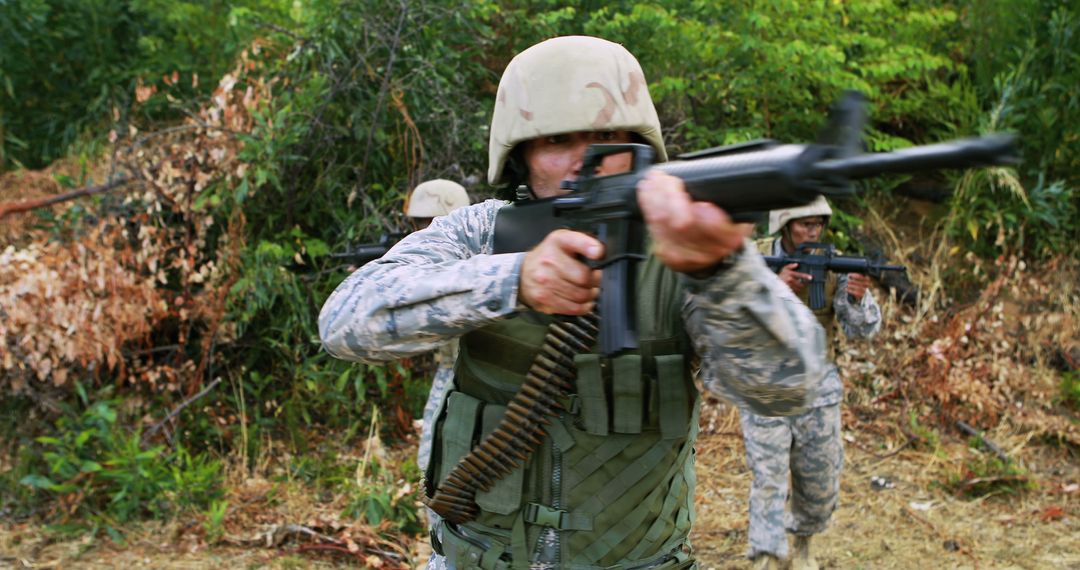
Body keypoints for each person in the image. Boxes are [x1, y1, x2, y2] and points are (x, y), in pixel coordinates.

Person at [319, 35, 826, 570]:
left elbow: (789, 388)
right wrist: (511, 279)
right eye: (558, 138)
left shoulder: (687, 250)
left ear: (639, 143)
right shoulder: (483, 232)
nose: (586, 159)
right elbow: (345, 321)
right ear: (521, 154)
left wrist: (721, 271)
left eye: (607, 135)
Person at [742, 196, 882, 570]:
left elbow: (861, 331)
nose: (813, 231)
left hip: (817, 387)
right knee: (768, 477)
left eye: (819, 224)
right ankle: (768, 553)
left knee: (819, 480)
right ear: (785, 224)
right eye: (805, 224)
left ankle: (803, 544)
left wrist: (857, 298)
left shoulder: (833, 265)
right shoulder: (752, 259)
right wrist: (773, 286)